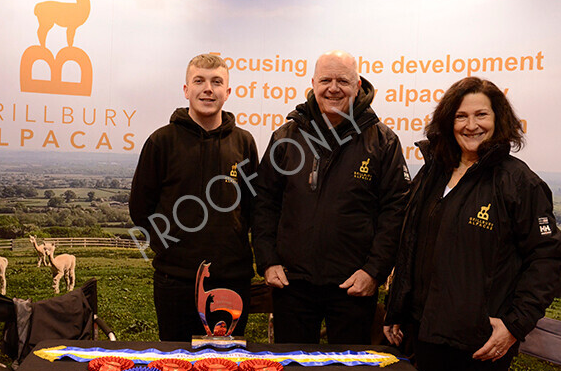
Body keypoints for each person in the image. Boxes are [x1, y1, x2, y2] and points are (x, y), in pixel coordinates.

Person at [383, 76, 561, 371]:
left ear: (499, 120)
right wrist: (397, 310)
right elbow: (411, 244)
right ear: (447, 122)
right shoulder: (432, 172)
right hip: (424, 332)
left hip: (480, 341)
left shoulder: (518, 182)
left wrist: (514, 325)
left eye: (481, 114)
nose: (471, 125)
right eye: (461, 116)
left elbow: (548, 258)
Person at [253, 50, 410, 344]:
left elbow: (395, 212)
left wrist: (373, 271)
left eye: (343, 80)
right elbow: (264, 203)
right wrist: (267, 260)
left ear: (358, 86)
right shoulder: (287, 137)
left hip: (353, 287)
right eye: (326, 80)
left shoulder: (383, 142)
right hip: (292, 284)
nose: (333, 88)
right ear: (313, 83)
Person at [129, 53, 258, 341]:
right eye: (199, 81)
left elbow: (253, 208)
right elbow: (140, 208)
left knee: (227, 366)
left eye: (216, 82)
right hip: (175, 280)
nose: (208, 89)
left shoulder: (244, 143)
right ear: (186, 90)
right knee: (175, 368)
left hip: (232, 280)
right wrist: (168, 249)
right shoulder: (161, 141)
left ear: (228, 92)